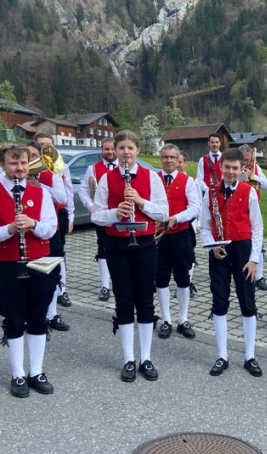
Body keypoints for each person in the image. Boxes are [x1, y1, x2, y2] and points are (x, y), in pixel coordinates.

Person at [0, 144, 57, 398]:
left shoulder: (40, 193)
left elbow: (51, 229)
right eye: (13, 163)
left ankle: (37, 371)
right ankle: (18, 373)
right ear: (3, 165)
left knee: (38, 317)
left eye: (23, 163)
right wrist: (7, 230)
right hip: (7, 264)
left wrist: (33, 224)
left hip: (39, 263)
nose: (19, 168)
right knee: (14, 319)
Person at [92, 130, 169, 383]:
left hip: (145, 244)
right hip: (117, 245)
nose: (126, 152)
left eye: (130, 148)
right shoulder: (107, 178)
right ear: (115, 150)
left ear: (137, 151)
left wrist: (140, 201)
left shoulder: (151, 177)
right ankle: (128, 359)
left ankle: (145, 357)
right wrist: (117, 212)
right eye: (121, 148)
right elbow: (96, 215)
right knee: (124, 301)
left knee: (146, 301)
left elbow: (163, 212)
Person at [200, 148, 264, 378]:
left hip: (243, 250)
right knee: (219, 300)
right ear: (221, 167)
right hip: (218, 249)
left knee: (248, 302)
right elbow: (205, 225)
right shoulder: (210, 192)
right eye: (227, 167)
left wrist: (254, 259)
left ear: (241, 169)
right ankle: (222, 355)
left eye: (235, 168)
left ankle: (249, 356)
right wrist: (211, 245)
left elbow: (257, 228)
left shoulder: (249, 192)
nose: (230, 171)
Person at [155, 143, 201, 340]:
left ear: (177, 159)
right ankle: (167, 320)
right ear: (161, 159)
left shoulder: (188, 181)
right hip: (158, 238)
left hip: (181, 235)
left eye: (172, 157)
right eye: (165, 157)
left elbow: (195, 208)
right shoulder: (153, 179)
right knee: (161, 278)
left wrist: (176, 218)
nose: (169, 160)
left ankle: (183, 320)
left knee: (183, 278)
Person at [27, 139, 70, 332]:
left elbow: (62, 198)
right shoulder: (11, 176)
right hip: (23, 231)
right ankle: (31, 313)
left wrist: (37, 185)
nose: (30, 161)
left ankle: (51, 314)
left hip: (48, 230)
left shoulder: (51, 176)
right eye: (26, 157)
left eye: (34, 157)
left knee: (50, 273)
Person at [33, 132, 75, 310]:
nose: (45, 151)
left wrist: (71, 215)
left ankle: (61, 290)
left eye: (48, 147)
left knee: (57, 255)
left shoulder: (58, 167)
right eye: (41, 146)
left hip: (56, 218)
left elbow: (66, 194)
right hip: (32, 221)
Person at [79, 138, 118, 302]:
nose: (109, 152)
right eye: (106, 149)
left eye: (112, 149)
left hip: (120, 216)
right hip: (102, 216)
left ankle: (119, 283)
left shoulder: (124, 167)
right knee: (103, 249)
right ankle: (105, 286)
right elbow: (83, 190)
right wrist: (90, 206)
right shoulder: (93, 168)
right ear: (102, 150)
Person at [240, 144, 267, 291]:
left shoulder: (256, 168)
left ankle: (259, 277)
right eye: (244, 159)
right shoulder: (236, 168)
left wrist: (254, 176)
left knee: (258, 241)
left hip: (254, 208)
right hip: (239, 208)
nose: (246, 162)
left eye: (248, 159)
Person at [178, 150, 199, 298]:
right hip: (171, 226)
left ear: (185, 163)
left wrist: (199, 223)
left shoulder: (192, 181)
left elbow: (199, 204)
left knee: (189, 255)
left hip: (189, 224)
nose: (178, 164)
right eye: (176, 161)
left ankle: (188, 282)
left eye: (180, 162)